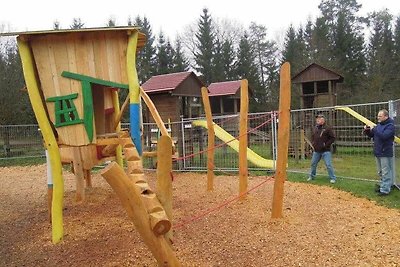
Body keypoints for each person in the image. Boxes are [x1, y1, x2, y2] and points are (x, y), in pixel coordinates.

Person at [363, 109, 395, 196]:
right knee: (380, 172)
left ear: (386, 116)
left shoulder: (390, 126)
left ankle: (385, 190)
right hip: (378, 151)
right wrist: (367, 130)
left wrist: (375, 129)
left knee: (386, 171)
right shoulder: (379, 125)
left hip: (385, 151)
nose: (378, 118)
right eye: (378, 116)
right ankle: (382, 186)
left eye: (380, 116)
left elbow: (384, 136)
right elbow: (372, 134)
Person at [307, 114, 337, 183]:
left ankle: (333, 178)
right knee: (313, 164)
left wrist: (326, 145)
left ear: (323, 120)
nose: (318, 120)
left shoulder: (327, 128)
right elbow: (313, 137)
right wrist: (313, 144)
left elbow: (333, 138)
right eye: (317, 119)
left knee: (328, 165)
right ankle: (312, 176)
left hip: (325, 151)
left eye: (319, 119)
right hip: (316, 151)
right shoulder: (315, 128)